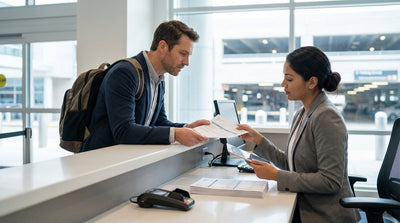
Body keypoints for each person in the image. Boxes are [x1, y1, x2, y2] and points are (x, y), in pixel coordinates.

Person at [237, 46, 361, 222]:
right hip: (303, 206)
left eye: (289, 78)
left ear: (311, 82)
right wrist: (259, 140)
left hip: (324, 215)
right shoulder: (302, 113)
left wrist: (275, 175)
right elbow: (292, 164)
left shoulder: (326, 116)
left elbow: (330, 181)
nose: (283, 84)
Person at [81, 20, 209, 152]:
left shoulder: (158, 79)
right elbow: (123, 131)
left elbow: (159, 122)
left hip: (124, 160)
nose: (187, 62)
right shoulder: (125, 73)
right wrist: (176, 134)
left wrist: (187, 128)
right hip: (100, 162)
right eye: (183, 54)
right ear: (163, 46)